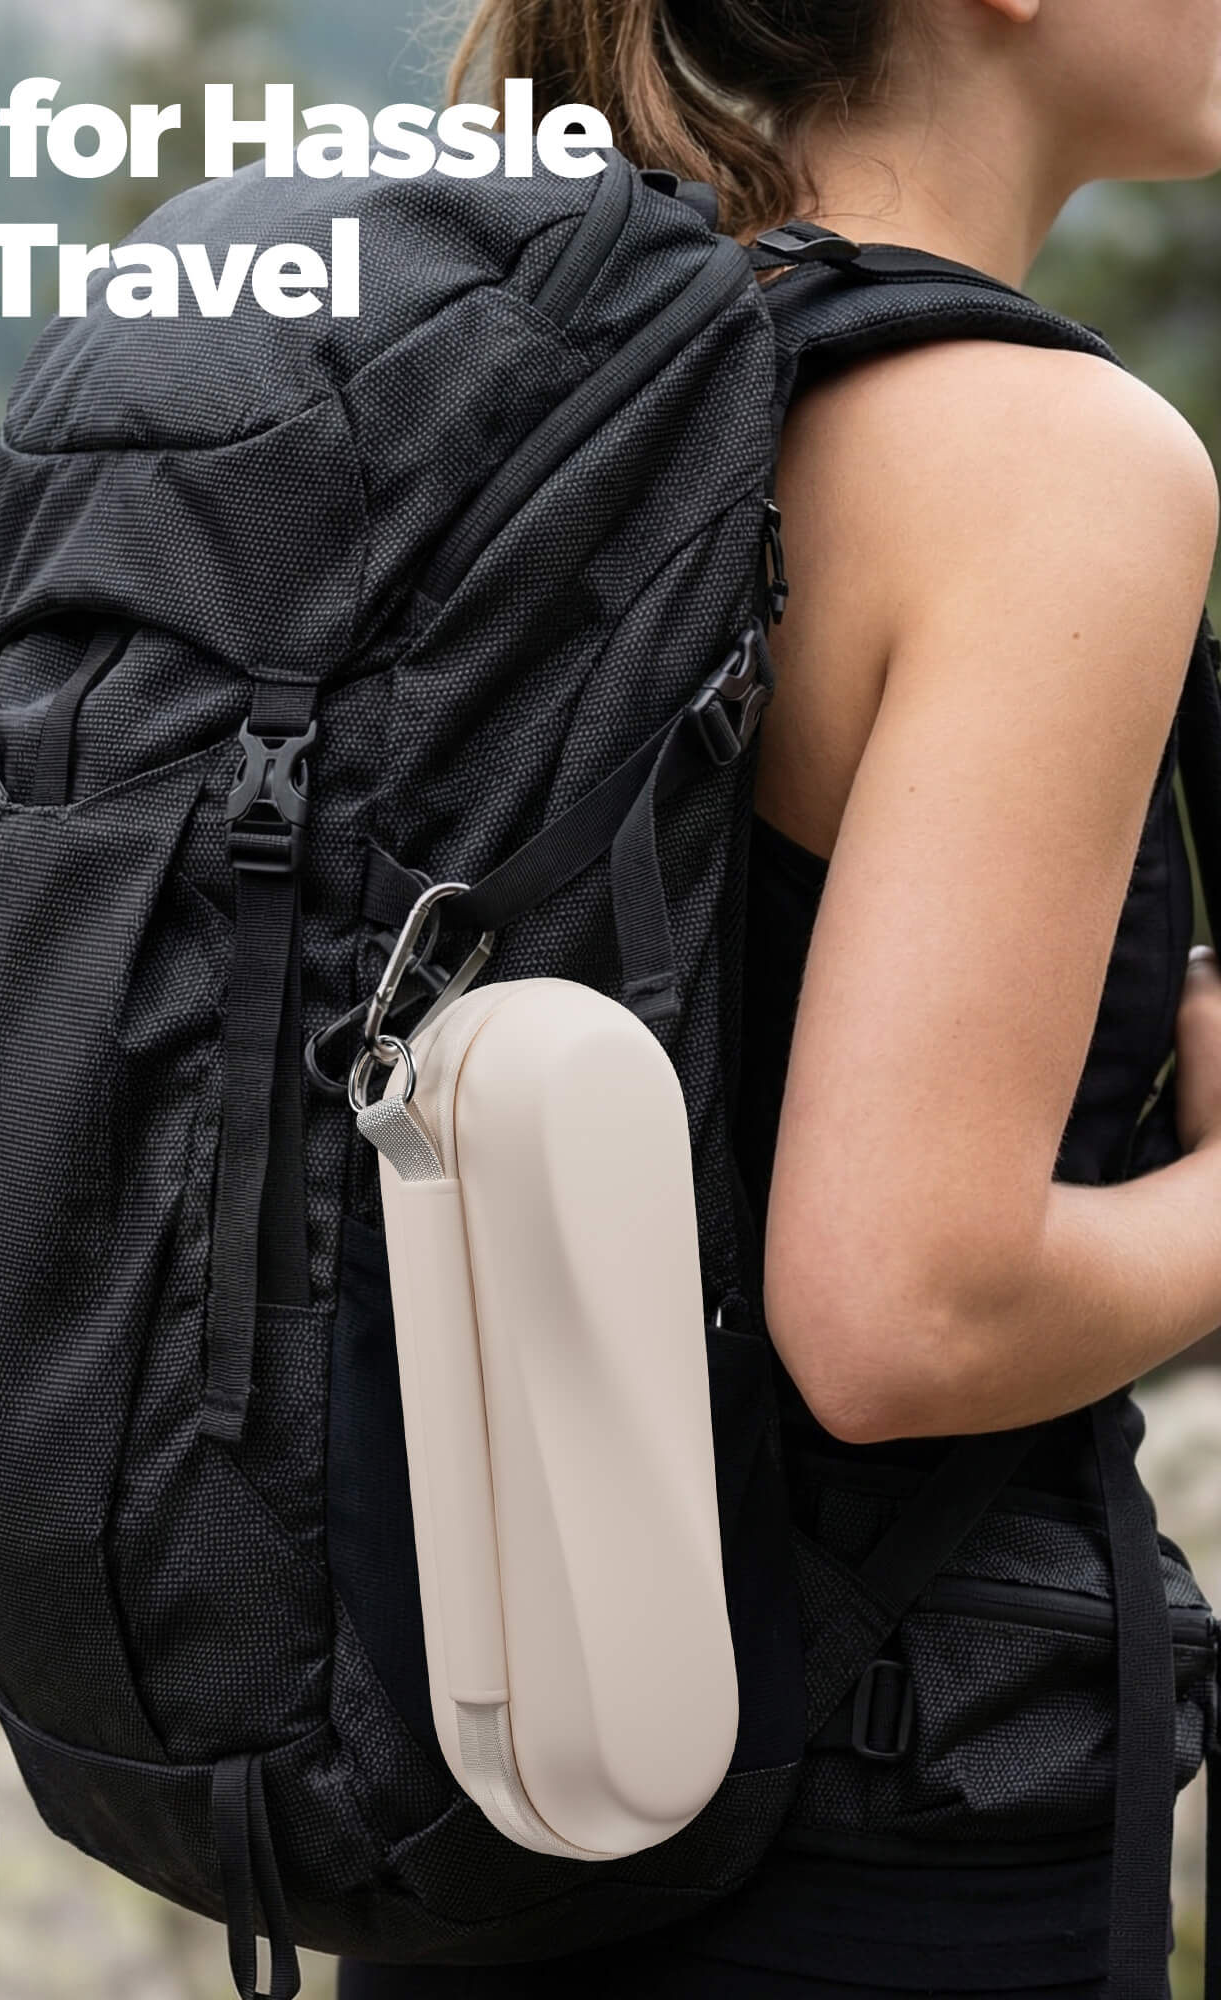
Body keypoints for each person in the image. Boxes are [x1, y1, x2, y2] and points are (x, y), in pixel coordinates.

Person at [338, 0, 1221, 1993]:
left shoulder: (522, 395)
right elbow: (903, 1314)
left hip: (469, 1772)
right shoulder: (1037, 458)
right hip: (857, 1837)